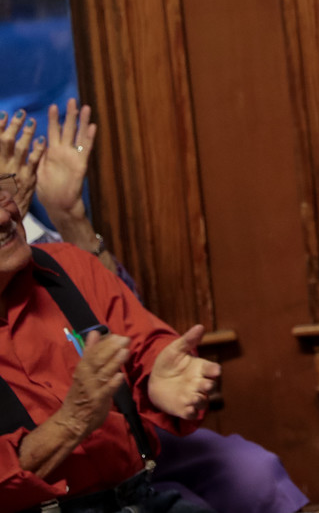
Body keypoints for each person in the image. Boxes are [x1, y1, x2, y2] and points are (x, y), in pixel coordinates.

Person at [6, 100, 309, 513]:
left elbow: (130, 327)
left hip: (133, 462)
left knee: (251, 474)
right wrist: (72, 421)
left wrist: (154, 375)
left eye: (4, 186)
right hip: (51, 490)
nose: (8, 209)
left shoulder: (60, 261)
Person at [0, 177, 220, 511]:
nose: (4, 218)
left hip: (137, 496)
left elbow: (146, 346)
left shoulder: (70, 266)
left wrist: (158, 377)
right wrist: (71, 421)